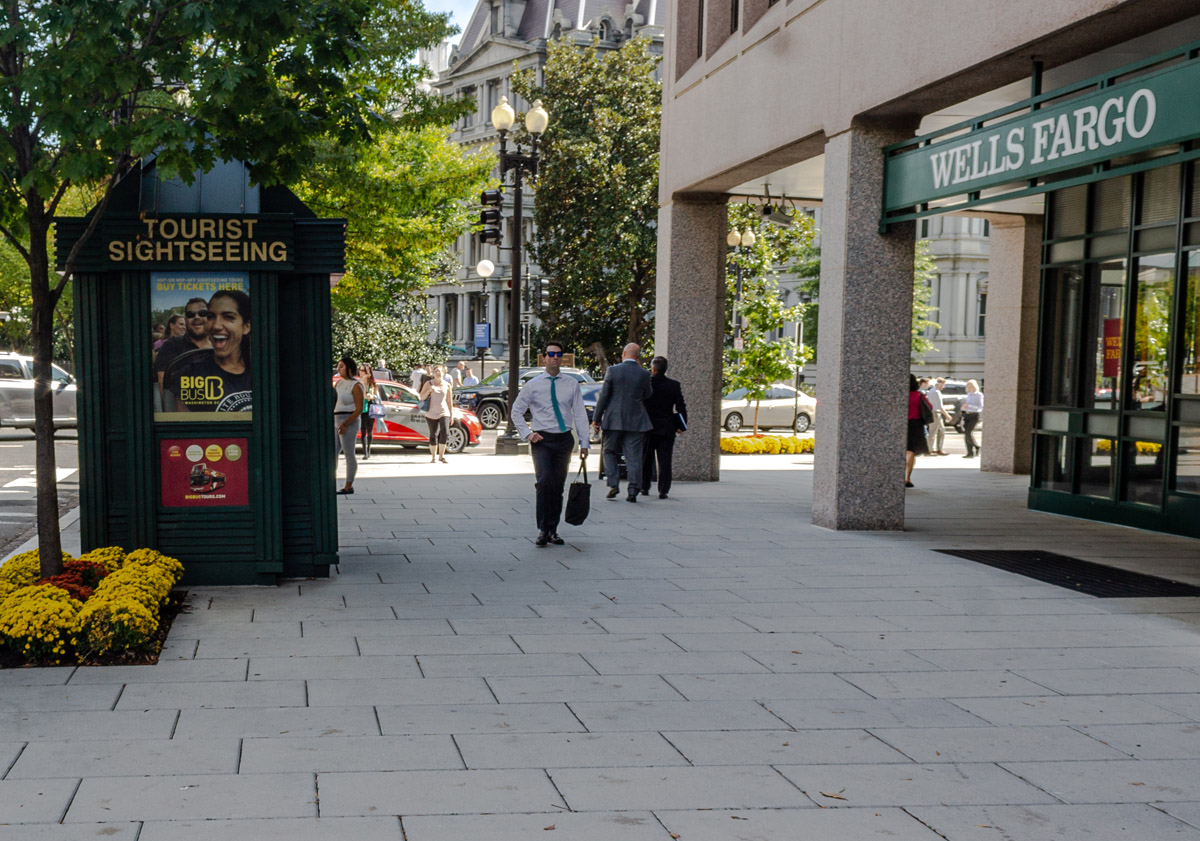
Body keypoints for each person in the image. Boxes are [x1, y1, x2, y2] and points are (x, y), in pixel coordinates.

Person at [511, 340, 590, 546]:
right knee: (544, 482)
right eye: (551, 354)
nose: (555, 358)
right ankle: (542, 529)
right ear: (544, 357)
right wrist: (528, 434)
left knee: (557, 486)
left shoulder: (571, 384)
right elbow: (516, 411)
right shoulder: (533, 385)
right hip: (542, 441)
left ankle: (553, 530)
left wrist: (584, 443)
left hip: (563, 440)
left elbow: (580, 414)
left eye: (559, 354)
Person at [168, 289, 251, 413]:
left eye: (228, 317)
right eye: (211, 317)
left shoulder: (262, 371)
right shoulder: (190, 375)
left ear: (246, 326)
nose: (216, 326)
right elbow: (184, 423)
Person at [592, 342, 653, 502]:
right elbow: (648, 394)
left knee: (608, 451)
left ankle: (613, 483)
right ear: (637, 356)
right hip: (636, 420)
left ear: (624, 354)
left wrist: (596, 419)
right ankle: (633, 490)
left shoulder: (613, 371)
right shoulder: (644, 373)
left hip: (614, 419)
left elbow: (604, 396)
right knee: (634, 456)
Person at [640, 356, 687, 499]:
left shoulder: (646, 384)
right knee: (665, 460)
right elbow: (681, 406)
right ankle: (663, 490)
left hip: (647, 427)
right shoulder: (673, 385)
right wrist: (682, 425)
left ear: (653, 369)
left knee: (646, 459)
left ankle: (644, 486)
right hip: (667, 427)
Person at [334, 355, 364, 495]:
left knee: (348, 453)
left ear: (349, 368)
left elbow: (359, 408)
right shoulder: (339, 383)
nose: (338, 369)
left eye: (341, 366)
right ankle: (331, 481)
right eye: (338, 366)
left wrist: (345, 424)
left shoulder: (356, 385)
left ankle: (348, 485)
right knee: (333, 452)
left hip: (349, 419)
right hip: (336, 418)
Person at [419, 364, 453, 463]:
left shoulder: (447, 385)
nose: (438, 373)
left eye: (440, 371)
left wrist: (451, 415)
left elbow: (449, 401)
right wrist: (429, 391)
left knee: (445, 433)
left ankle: (441, 456)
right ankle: (433, 457)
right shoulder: (428, 383)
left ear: (443, 373)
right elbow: (421, 397)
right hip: (431, 413)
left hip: (444, 412)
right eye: (436, 371)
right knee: (433, 434)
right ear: (433, 374)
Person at [905, 373, 932, 488]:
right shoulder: (919, 395)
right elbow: (929, 407)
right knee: (911, 451)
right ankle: (907, 477)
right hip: (916, 424)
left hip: (901, 424)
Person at [358, 365, 380, 460]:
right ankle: (365, 453)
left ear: (368, 372)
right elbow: (358, 395)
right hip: (362, 407)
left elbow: (376, 396)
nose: (360, 372)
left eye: (362, 370)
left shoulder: (373, 383)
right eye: (360, 370)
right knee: (363, 430)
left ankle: (369, 449)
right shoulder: (359, 382)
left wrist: (371, 396)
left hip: (371, 406)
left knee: (369, 430)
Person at [927, 377, 952, 455]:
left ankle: (939, 449)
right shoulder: (936, 392)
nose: (944, 387)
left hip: (935, 412)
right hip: (935, 413)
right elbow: (940, 406)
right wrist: (947, 415)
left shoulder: (931, 391)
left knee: (941, 430)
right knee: (933, 432)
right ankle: (929, 450)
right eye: (943, 385)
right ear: (939, 384)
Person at [962, 379, 984, 458]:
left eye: (970, 386)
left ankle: (977, 446)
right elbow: (966, 404)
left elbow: (980, 406)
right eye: (968, 386)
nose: (969, 387)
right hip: (967, 414)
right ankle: (970, 452)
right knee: (966, 434)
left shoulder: (979, 395)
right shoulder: (968, 394)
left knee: (969, 432)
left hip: (974, 415)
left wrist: (969, 405)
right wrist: (964, 408)